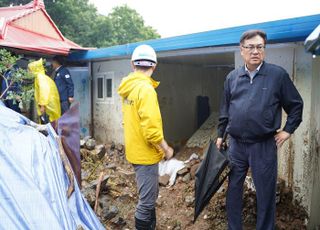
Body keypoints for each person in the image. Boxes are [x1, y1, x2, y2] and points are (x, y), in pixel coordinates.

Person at [216, 30, 303, 230]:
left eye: (260, 47)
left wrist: (288, 130)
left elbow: (296, 105)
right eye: (250, 47)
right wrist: (221, 134)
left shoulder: (277, 75)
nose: (255, 51)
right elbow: (225, 108)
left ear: (264, 49)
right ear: (242, 50)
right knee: (234, 189)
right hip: (236, 145)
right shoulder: (232, 77)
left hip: (263, 145)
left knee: (265, 192)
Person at [118, 44, 174, 230]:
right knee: (147, 202)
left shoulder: (129, 88)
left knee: (148, 197)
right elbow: (151, 130)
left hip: (134, 151)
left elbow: (128, 120)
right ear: (154, 66)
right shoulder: (146, 90)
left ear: (132, 64)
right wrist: (165, 148)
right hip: (145, 154)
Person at [28, 59, 61, 123]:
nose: (29, 71)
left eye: (29, 69)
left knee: (49, 123)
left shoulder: (41, 77)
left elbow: (44, 92)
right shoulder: (40, 77)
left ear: (35, 69)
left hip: (48, 106)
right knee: (51, 122)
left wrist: (43, 105)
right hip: (48, 105)